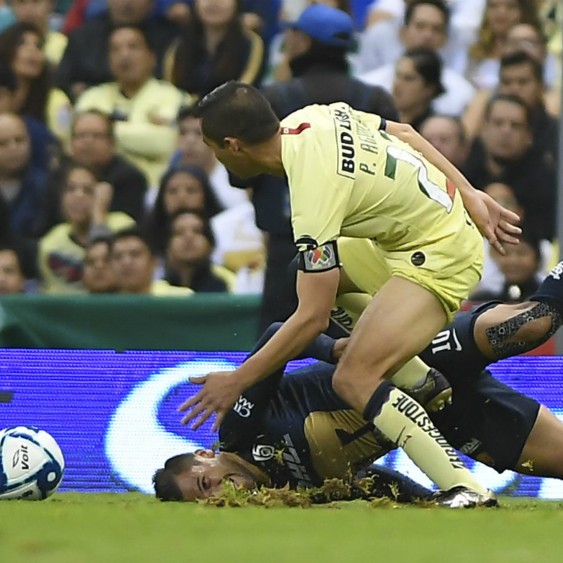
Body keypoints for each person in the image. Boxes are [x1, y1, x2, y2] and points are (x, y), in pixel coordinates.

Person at [156, 199, 563, 510]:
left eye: (207, 484)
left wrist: (334, 346)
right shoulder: (288, 495)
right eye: (208, 503)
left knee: (533, 323)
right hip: (441, 417)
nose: (222, 494)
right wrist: (438, 502)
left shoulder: (239, 429)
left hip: (411, 358)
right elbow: (375, 485)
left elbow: (270, 338)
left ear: (206, 456)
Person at [181, 80, 527, 507]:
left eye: (211, 145)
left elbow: (311, 317)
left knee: (353, 377)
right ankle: (416, 377)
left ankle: (466, 489)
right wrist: (469, 191)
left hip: (440, 252)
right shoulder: (312, 118)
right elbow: (405, 133)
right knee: (306, 272)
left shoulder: (311, 196)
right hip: (412, 235)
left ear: (232, 146)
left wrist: (238, 380)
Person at [227, 4, 398, 332]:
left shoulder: (273, 99)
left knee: (281, 343)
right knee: (363, 344)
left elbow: (239, 175)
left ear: (303, 42)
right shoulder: (375, 99)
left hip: (289, 249)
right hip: (363, 251)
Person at [76, 25, 189, 186]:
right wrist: (146, 133)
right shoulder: (91, 98)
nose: (125, 55)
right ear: (108, 60)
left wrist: (108, 133)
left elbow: (169, 143)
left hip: (157, 191)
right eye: (116, 49)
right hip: (97, 187)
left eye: (133, 47)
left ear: (152, 57)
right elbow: (75, 146)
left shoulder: (175, 98)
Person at [462, 94, 557, 240]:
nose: (506, 131)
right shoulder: (463, 175)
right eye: (498, 123)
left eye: (516, 125)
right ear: (483, 129)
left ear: (529, 135)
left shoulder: (546, 184)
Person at [360, 0, 476, 118]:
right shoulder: (370, 85)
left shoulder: (462, 93)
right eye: (420, 26)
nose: (427, 35)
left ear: (445, 38)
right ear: (403, 32)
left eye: (436, 29)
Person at [39, 165, 135, 294]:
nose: (78, 197)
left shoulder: (123, 226)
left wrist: (98, 216)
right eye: (70, 189)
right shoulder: (51, 245)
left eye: (88, 190)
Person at [56, 0, 178, 98]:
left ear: (152, 3)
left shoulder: (171, 38)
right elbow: (63, 82)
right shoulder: (82, 37)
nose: (127, 3)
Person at [0, 23, 74, 147]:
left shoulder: (58, 101)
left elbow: (63, 145)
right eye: (22, 44)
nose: (32, 51)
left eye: (38, 46)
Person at [164, 0, 265, 97]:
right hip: (183, 111)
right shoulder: (179, 45)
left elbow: (245, 89)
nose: (214, 2)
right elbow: (171, 91)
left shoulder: (251, 44)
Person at [145, 165, 223, 255]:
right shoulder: (146, 237)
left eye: (191, 190)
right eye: (173, 191)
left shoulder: (222, 227)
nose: (181, 197)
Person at [162, 209, 235, 292]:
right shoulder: (156, 290)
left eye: (197, 231)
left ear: (210, 244)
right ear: (167, 245)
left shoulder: (230, 286)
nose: (189, 237)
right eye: (179, 232)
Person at [110, 227, 193, 295]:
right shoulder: (106, 308)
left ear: (154, 262)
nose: (126, 262)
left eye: (135, 254)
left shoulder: (181, 298)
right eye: (118, 257)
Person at [391, 48, 444, 130]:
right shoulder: (380, 120)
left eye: (408, 78)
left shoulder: (436, 130)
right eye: (397, 76)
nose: (397, 84)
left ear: (429, 88)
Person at [10, 0, 69, 65]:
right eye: (22, 2)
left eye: (36, 1)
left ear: (51, 4)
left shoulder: (64, 46)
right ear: (12, 6)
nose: (29, 8)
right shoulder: (4, 45)